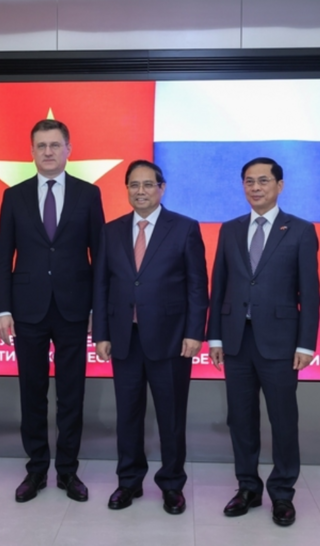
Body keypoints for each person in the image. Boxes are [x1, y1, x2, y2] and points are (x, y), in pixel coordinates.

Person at [0, 119, 104, 503]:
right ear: (32, 151)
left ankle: (68, 472)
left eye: (55, 145)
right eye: (40, 145)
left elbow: (100, 257)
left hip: (75, 309)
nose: (48, 152)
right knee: (32, 392)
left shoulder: (89, 195)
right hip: (27, 309)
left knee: (72, 395)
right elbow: (3, 255)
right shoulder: (14, 196)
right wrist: (1, 309)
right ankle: (36, 470)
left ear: (69, 149)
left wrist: (98, 309)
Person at [207, 157, 320, 527]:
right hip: (237, 340)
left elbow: (311, 293)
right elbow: (219, 286)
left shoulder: (301, 230)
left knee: (283, 420)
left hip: (281, 343)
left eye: (263, 181)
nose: (256, 188)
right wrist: (216, 336)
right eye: (249, 181)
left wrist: (305, 344)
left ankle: (283, 494)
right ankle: (247, 488)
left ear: (280, 185)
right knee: (241, 419)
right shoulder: (230, 229)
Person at [93, 160, 208, 515]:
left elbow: (196, 285)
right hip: (124, 338)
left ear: (162, 188)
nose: (140, 191)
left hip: (172, 339)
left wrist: (194, 333)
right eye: (133, 185)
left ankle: (172, 485)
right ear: (126, 189)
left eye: (147, 185)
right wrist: (101, 333)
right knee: (127, 414)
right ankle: (128, 482)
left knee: (171, 415)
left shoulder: (185, 228)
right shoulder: (111, 231)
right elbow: (101, 285)